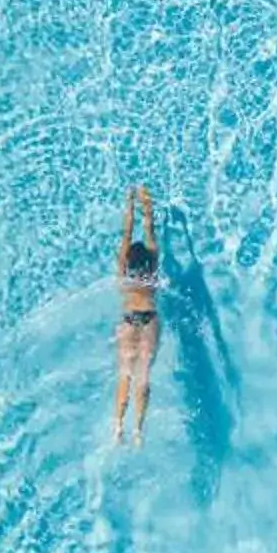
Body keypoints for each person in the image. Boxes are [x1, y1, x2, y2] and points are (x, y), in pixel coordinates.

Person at [113, 185, 161, 444]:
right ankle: (138, 431)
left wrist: (129, 202)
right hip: (149, 319)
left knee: (125, 374)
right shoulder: (153, 264)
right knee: (143, 375)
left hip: (129, 319)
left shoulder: (123, 266)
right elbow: (149, 228)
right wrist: (147, 200)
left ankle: (118, 427)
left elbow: (127, 232)